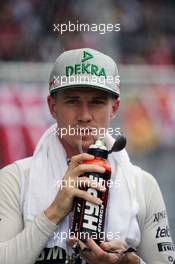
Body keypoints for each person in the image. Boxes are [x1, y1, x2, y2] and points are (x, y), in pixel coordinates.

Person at [0, 48, 174, 264]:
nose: (84, 115)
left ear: (114, 108)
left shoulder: (142, 185)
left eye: (96, 102)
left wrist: (128, 262)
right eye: (72, 101)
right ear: (53, 107)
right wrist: (53, 212)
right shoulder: (14, 180)